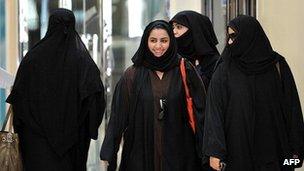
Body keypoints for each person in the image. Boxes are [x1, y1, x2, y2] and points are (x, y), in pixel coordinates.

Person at [6, 9, 105, 171]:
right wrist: (84, 128)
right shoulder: (83, 62)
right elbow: (95, 101)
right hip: (71, 149)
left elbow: (19, 101)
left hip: (36, 148)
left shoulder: (32, 59)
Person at [100, 20, 206, 171]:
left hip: (180, 154)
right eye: (153, 40)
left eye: (164, 41)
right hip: (140, 154)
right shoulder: (132, 75)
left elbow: (201, 111)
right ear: (145, 42)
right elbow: (118, 117)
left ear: (171, 41)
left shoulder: (185, 69)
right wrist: (109, 153)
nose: (158, 46)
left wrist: (208, 152)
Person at [203, 15, 304, 171]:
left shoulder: (277, 65)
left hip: (276, 152)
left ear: (250, 36)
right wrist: (215, 153)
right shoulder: (224, 69)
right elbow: (214, 112)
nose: (230, 42)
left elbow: (292, 109)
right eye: (229, 37)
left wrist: (296, 153)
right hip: (237, 152)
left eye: (234, 36)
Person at [170, 10, 220, 89]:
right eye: (173, 27)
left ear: (194, 30)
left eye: (179, 27)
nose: (174, 31)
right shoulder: (172, 60)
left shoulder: (215, 64)